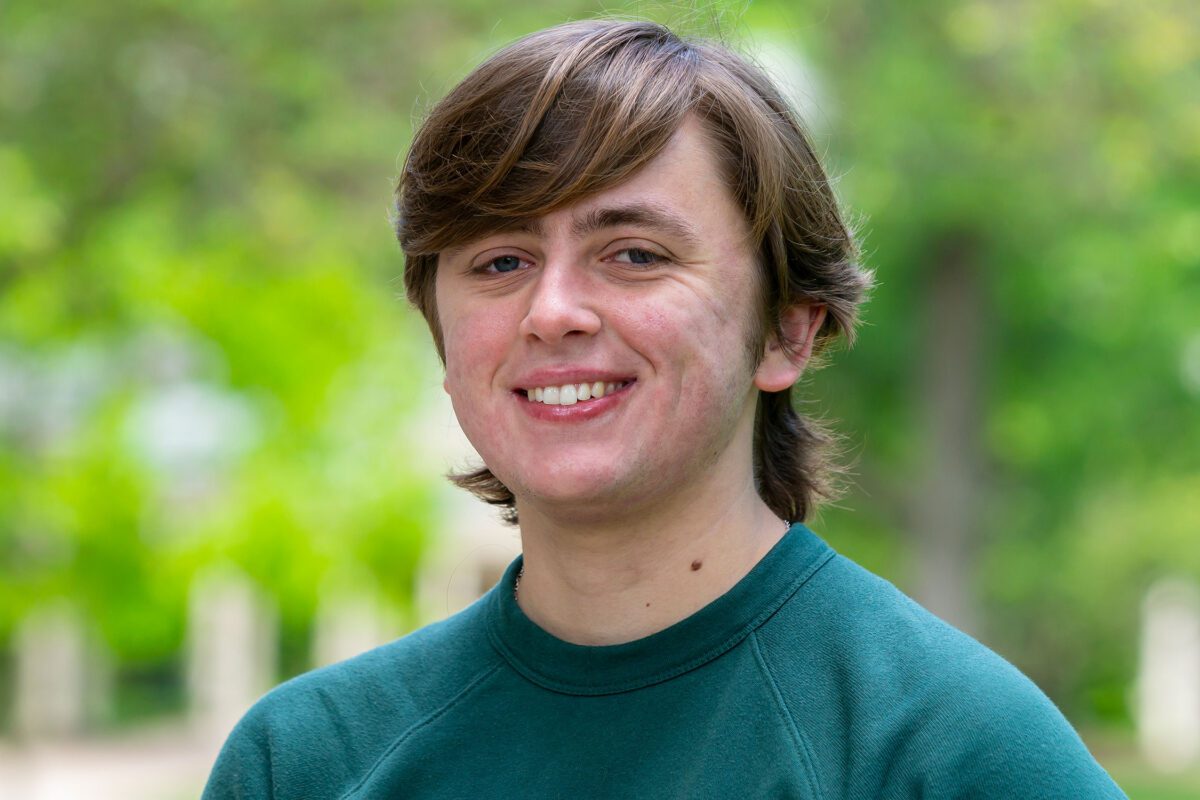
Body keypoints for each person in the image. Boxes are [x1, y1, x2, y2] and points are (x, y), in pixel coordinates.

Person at [203, 19, 1127, 799]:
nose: (553, 311)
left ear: (786, 333)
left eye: (635, 254)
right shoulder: (305, 764)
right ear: (445, 339)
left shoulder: (955, 752)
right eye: (500, 262)